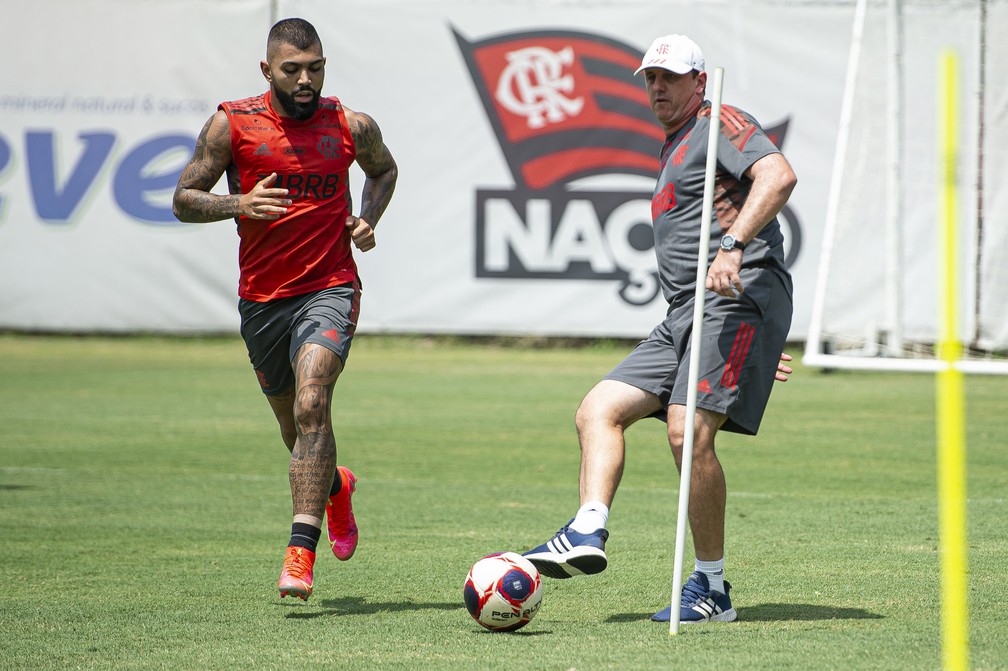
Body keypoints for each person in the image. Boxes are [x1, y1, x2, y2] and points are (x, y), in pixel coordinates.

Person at [523, 34, 797, 624]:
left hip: (734, 293)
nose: (657, 88)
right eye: (650, 77)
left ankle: (712, 587)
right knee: (598, 410)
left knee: (686, 430)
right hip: (686, 313)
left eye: (669, 77)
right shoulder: (672, 144)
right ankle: (587, 528)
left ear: (699, 81)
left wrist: (732, 246)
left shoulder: (720, 120)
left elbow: (778, 176)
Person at [172, 17, 398, 601]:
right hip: (263, 301)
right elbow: (183, 200)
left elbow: (383, 170)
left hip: (330, 286)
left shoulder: (350, 125)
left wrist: (367, 219)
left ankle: (300, 552)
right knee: (293, 428)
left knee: (312, 402)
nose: (305, 80)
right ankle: (334, 487)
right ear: (267, 70)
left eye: (315, 68)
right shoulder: (231, 124)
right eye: (292, 69)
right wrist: (240, 204)